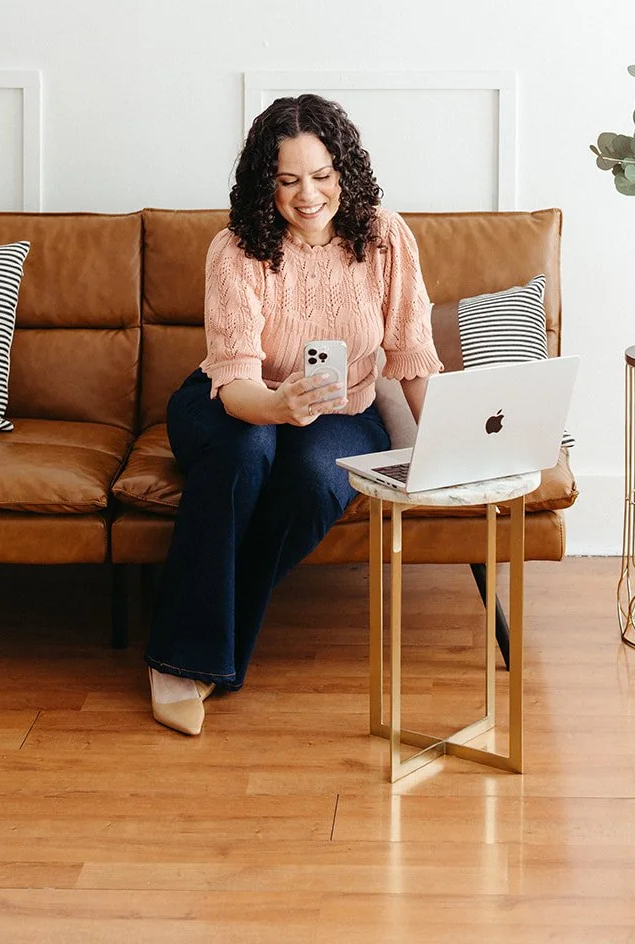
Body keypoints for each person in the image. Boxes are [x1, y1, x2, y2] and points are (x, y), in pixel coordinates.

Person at [145, 93, 443, 735]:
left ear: (345, 174)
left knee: (312, 479)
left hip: (344, 406)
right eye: (287, 180)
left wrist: (450, 440)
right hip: (231, 399)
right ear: (265, 183)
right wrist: (278, 406)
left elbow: (412, 355)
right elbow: (235, 382)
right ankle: (179, 662)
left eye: (321, 177)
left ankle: (198, 624)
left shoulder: (386, 238)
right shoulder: (237, 249)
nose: (307, 195)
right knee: (246, 451)